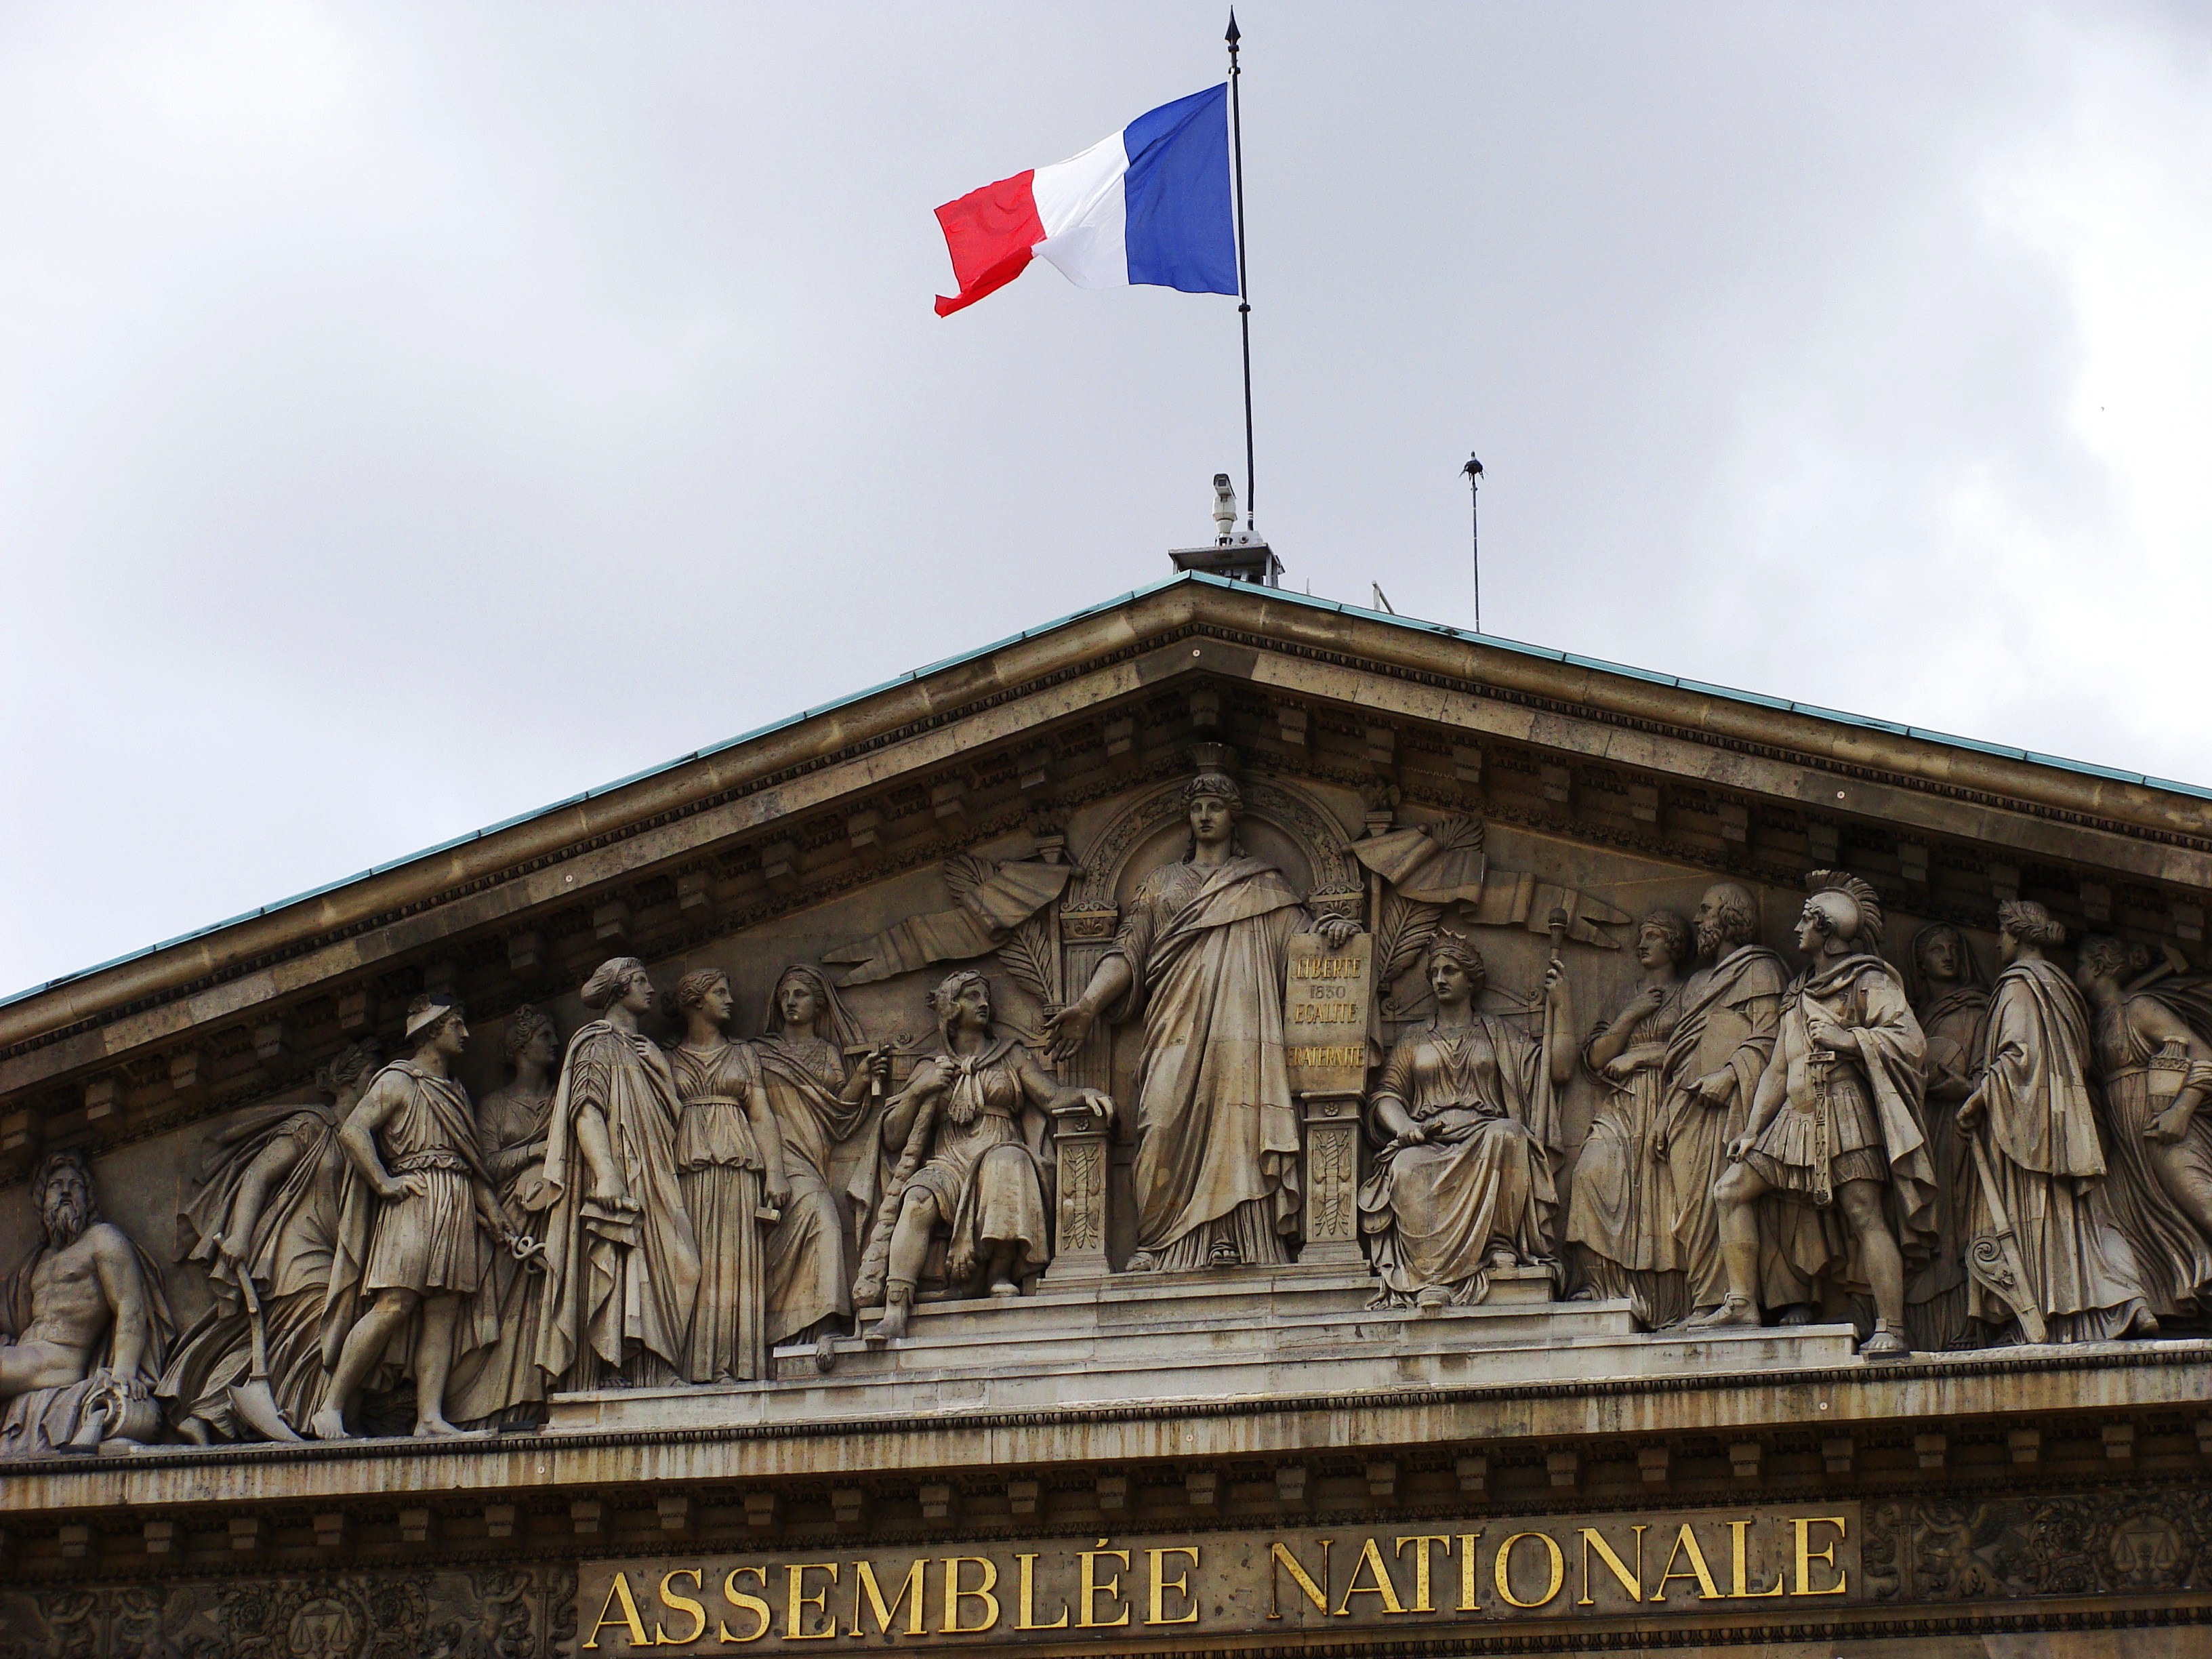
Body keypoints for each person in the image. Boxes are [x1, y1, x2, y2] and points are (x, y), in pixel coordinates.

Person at [1046, 770, 1359, 1271]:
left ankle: (1242, 1240)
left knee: (1242, 1121)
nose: (1205, 816)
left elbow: (1304, 952)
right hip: (1174, 1023)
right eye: (1197, 808)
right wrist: (1087, 1004)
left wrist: (1334, 933)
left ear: (1233, 815)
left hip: (1246, 1034)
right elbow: (1127, 952)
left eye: (1215, 805)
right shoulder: (1162, 884)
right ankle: (1159, 1242)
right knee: (1161, 1117)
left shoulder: (1264, 884)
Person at [1698, 872, 1935, 1357]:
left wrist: (1850, 1040)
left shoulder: (1868, 980)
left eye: (1806, 921)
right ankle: (1742, 1302)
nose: (1795, 930)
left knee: (1865, 1213)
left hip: (1845, 1110)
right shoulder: (1799, 990)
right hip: (1794, 1117)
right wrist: (1752, 1130)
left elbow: (1911, 1042)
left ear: (1827, 930)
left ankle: (1893, 1327)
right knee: (1730, 1190)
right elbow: (1778, 1069)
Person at [861, 970, 1111, 1339]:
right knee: (915, 1200)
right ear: (950, 1007)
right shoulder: (930, 1068)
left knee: (1007, 1163)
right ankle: (897, 1307)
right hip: (948, 1161)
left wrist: (1086, 1094)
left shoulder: (1011, 1056)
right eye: (972, 996)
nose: (984, 1004)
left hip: (999, 1148)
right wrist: (919, 1091)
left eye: (986, 997)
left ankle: (999, 1270)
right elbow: (894, 1137)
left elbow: (1050, 1097)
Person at [313, 997, 512, 1439]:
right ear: (431, 1031)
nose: (466, 1034)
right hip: (414, 1197)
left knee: (443, 1313)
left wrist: (492, 1213)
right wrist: (383, 1181)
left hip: (456, 1199)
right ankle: (331, 1406)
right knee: (394, 1304)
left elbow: (470, 1162)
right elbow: (353, 1130)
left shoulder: (457, 1091)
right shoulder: (399, 1081)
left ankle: (429, 1418)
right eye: (457, 1025)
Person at [161, 1041, 379, 1441]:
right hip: (295, 1246)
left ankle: (209, 1409)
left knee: (282, 1336)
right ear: (350, 1083)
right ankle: (304, 1415)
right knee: (316, 1320)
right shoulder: (312, 1126)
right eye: (371, 1078)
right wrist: (240, 1236)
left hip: (335, 1250)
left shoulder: (360, 1140)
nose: (377, 1087)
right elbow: (258, 1175)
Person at [1961, 905, 2156, 1343]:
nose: (1996, 942)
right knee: (2084, 1220)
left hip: (2031, 1121)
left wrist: (1978, 1098)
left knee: (2039, 1219)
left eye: (2000, 931)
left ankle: (2052, 1316)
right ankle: (2124, 1300)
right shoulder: (2065, 986)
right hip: (2076, 1119)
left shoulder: (2020, 985)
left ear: (2018, 934)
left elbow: (2019, 1055)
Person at [1358, 933, 1572, 1307]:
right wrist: (1407, 1127)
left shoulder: (1500, 1034)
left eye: (1450, 971)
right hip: (1428, 1139)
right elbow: (1386, 1095)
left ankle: (1500, 1247)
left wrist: (1564, 1005)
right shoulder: (1413, 1038)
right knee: (1406, 1168)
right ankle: (1429, 1275)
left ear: (1471, 980)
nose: (1440, 979)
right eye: (1434, 972)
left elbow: (1560, 1069)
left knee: (1508, 1135)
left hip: (1483, 1135)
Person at [535, 959, 702, 1392]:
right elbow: (586, 1110)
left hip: (660, 1175)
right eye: (641, 981)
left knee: (679, 1262)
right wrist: (606, 1174)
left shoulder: (646, 1050)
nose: (650, 989)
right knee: (624, 1260)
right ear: (619, 989)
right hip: (624, 1174)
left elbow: (674, 1116)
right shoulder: (597, 1044)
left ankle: (659, 1361)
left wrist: (663, 1072)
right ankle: (616, 1367)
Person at [1654, 883, 1786, 1322]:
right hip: (1685, 1107)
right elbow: (1681, 1056)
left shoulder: (1761, 970)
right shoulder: (1694, 984)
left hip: (1731, 1103)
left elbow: (1771, 1037)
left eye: (1706, 909)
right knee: (1690, 1207)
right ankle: (1705, 1299)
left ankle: (1736, 1299)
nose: (1697, 919)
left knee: (1723, 1196)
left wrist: (1730, 1077)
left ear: (1731, 917)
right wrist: (1663, 1112)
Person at [2072, 934, 2212, 1324]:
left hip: (2163, 1129)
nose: (2075, 972)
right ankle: (2137, 1305)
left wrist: (2181, 1112)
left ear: (2097, 967)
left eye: (2079, 964)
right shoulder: (2097, 1021)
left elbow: (2205, 1058)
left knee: (2204, 1206)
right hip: (2125, 1147)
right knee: (2105, 1223)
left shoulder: (2141, 1008)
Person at [755, 964, 886, 1372]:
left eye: (801, 994)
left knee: (821, 1222)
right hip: (774, 1157)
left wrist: (862, 1079)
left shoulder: (829, 1054)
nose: (791, 1001)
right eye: (785, 995)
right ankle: (824, 1322)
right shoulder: (760, 1052)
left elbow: (838, 1111)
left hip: (815, 1153)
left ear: (819, 1003)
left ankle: (808, 1325)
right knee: (825, 1220)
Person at [1567, 910, 1691, 1327]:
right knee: (1590, 1173)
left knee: (1667, 1199)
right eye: (1641, 935)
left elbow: (1702, 1051)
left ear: (1674, 944)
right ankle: (1599, 1285)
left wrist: (1640, 1055)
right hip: (1622, 1105)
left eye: (1653, 935)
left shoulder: (1692, 993)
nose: (1643, 943)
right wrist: (1631, 1015)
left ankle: (1671, 1301)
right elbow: (1598, 1058)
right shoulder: (1627, 995)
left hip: (1671, 1106)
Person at [2, 1151, 170, 1457]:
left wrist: (124, 1373)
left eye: (75, 1185)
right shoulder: (38, 1261)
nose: (66, 1191)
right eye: (56, 1185)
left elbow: (129, 1310)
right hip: (24, 1355)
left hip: (59, 1361)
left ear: (88, 1198)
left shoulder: (103, 1240)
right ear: (41, 1201)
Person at [666, 968, 788, 1384]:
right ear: (696, 1002)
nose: (730, 1000)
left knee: (734, 1264)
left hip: (738, 1167)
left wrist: (776, 1173)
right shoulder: (667, 1059)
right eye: (720, 993)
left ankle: (733, 1365)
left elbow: (762, 1115)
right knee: (691, 1265)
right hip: (688, 1169)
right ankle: (690, 1364)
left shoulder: (744, 1054)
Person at [447, 1008, 561, 1427]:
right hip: (505, 1227)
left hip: (551, 1219)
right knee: (494, 1313)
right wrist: (536, 1151)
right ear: (520, 1046)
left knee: (540, 1311)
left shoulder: (561, 1099)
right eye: (545, 1034)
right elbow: (485, 1165)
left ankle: (533, 1399)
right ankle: (478, 1409)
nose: (554, 1042)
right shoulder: (495, 1105)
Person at [1906, 924, 1992, 1350]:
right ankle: (1926, 1331)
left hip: (1962, 1128)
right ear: (1920, 962)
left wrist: (1963, 1086)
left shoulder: (1979, 1012)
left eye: (1954, 948)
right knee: (1927, 1222)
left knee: (1959, 1220)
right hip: (1921, 1131)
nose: (1948, 956)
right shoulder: (1913, 1021)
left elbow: (1992, 1077)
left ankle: (1967, 1323)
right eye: (1936, 949)